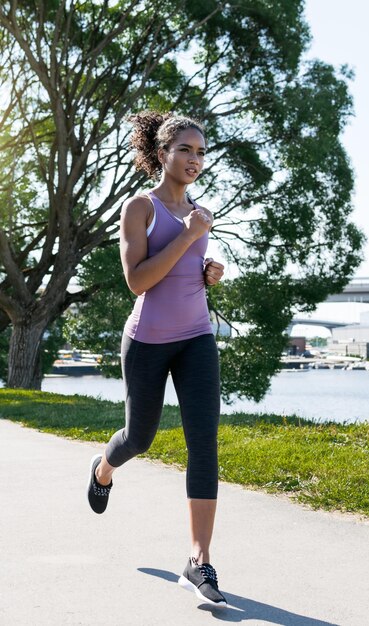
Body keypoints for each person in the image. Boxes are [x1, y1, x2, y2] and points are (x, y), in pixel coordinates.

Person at [86, 111, 227, 607]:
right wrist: (189, 236)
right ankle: (104, 467)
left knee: (203, 443)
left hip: (196, 337)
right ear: (162, 153)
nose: (194, 159)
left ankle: (199, 558)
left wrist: (208, 271)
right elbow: (139, 280)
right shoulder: (139, 207)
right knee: (140, 437)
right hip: (147, 341)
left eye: (201, 151)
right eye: (185, 149)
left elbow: (184, 269)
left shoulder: (201, 214)